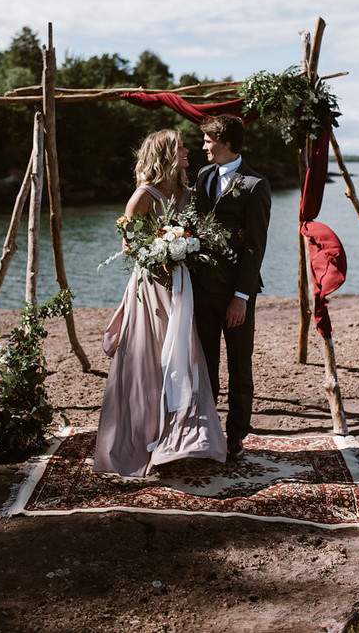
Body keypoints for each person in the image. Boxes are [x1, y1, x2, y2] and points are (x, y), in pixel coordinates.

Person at [94, 129, 227, 477]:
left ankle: (184, 439)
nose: (187, 150)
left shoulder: (187, 193)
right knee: (149, 360)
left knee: (185, 356)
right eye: (181, 146)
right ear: (166, 153)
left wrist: (188, 249)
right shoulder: (142, 197)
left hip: (182, 287)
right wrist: (161, 253)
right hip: (152, 288)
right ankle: (142, 439)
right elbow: (130, 246)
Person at [192, 114, 271, 460]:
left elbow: (255, 246)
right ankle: (207, 431)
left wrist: (241, 296)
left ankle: (237, 434)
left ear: (225, 142)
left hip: (236, 293)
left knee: (239, 365)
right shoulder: (203, 176)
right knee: (205, 364)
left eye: (209, 141)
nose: (204, 146)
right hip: (201, 290)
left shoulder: (255, 185)